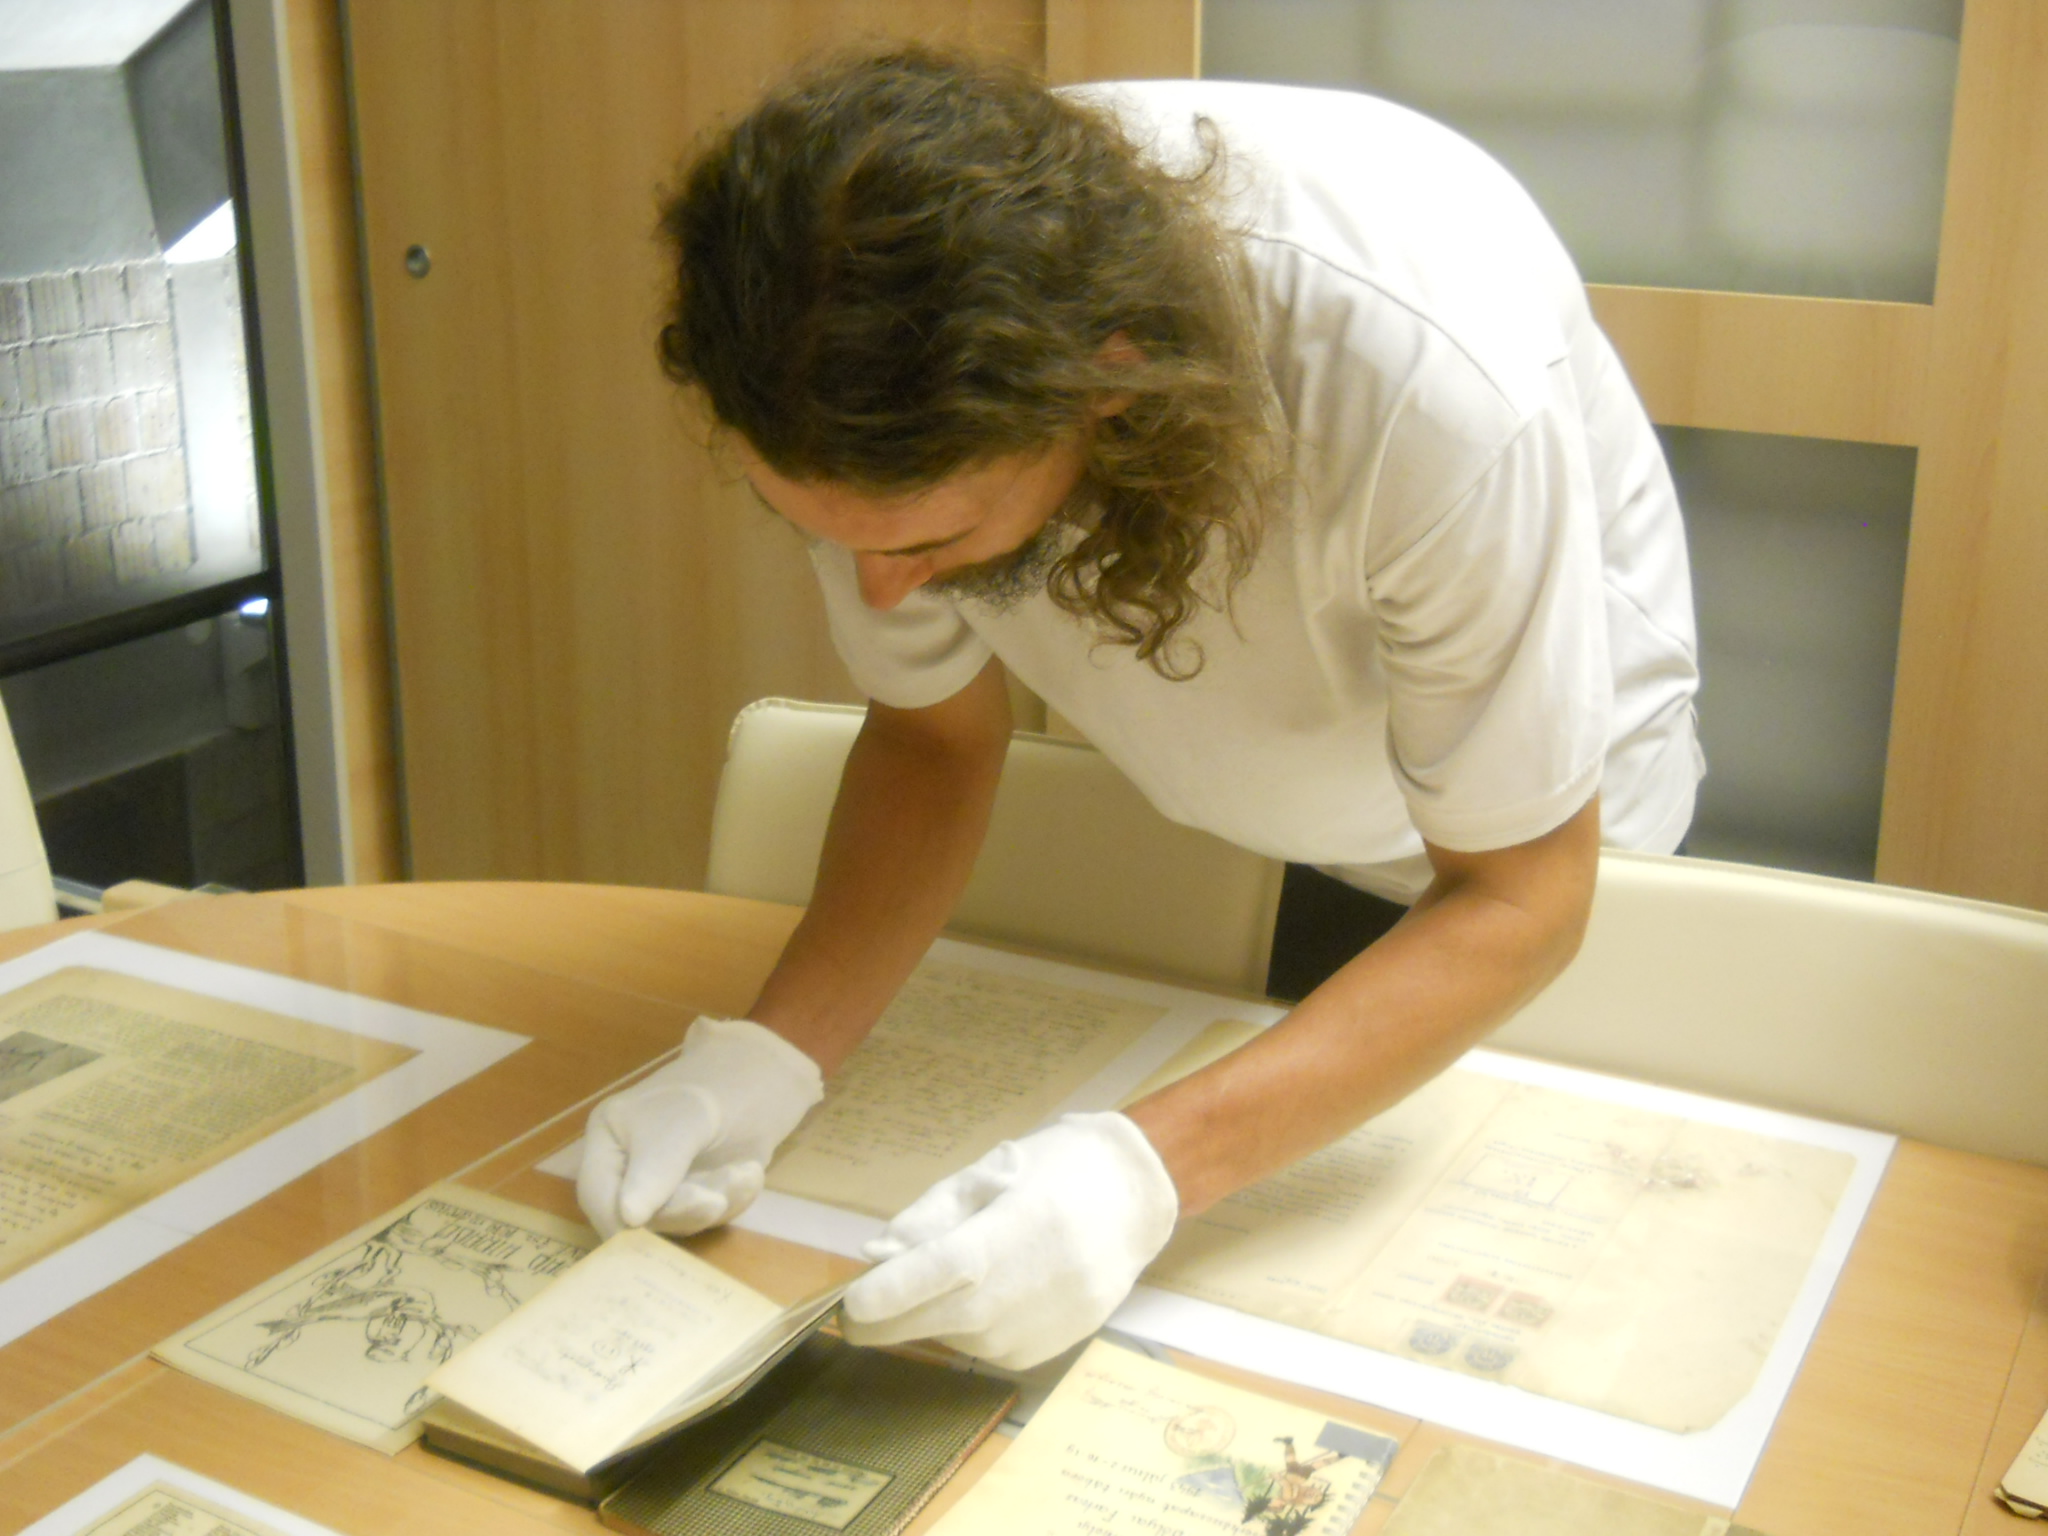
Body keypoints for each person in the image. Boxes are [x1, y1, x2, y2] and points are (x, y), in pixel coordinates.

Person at [576, 45, 1701, 1370]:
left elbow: (1521, 896)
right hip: (1267, 798)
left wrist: (1146, 1172)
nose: (882, 592)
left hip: (1536, 868)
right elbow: (933, 739)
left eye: (932, 540)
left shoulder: (1419, 381)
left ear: (1107, 385)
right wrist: (772, 1056)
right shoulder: (864, 337)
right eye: (829, 535)